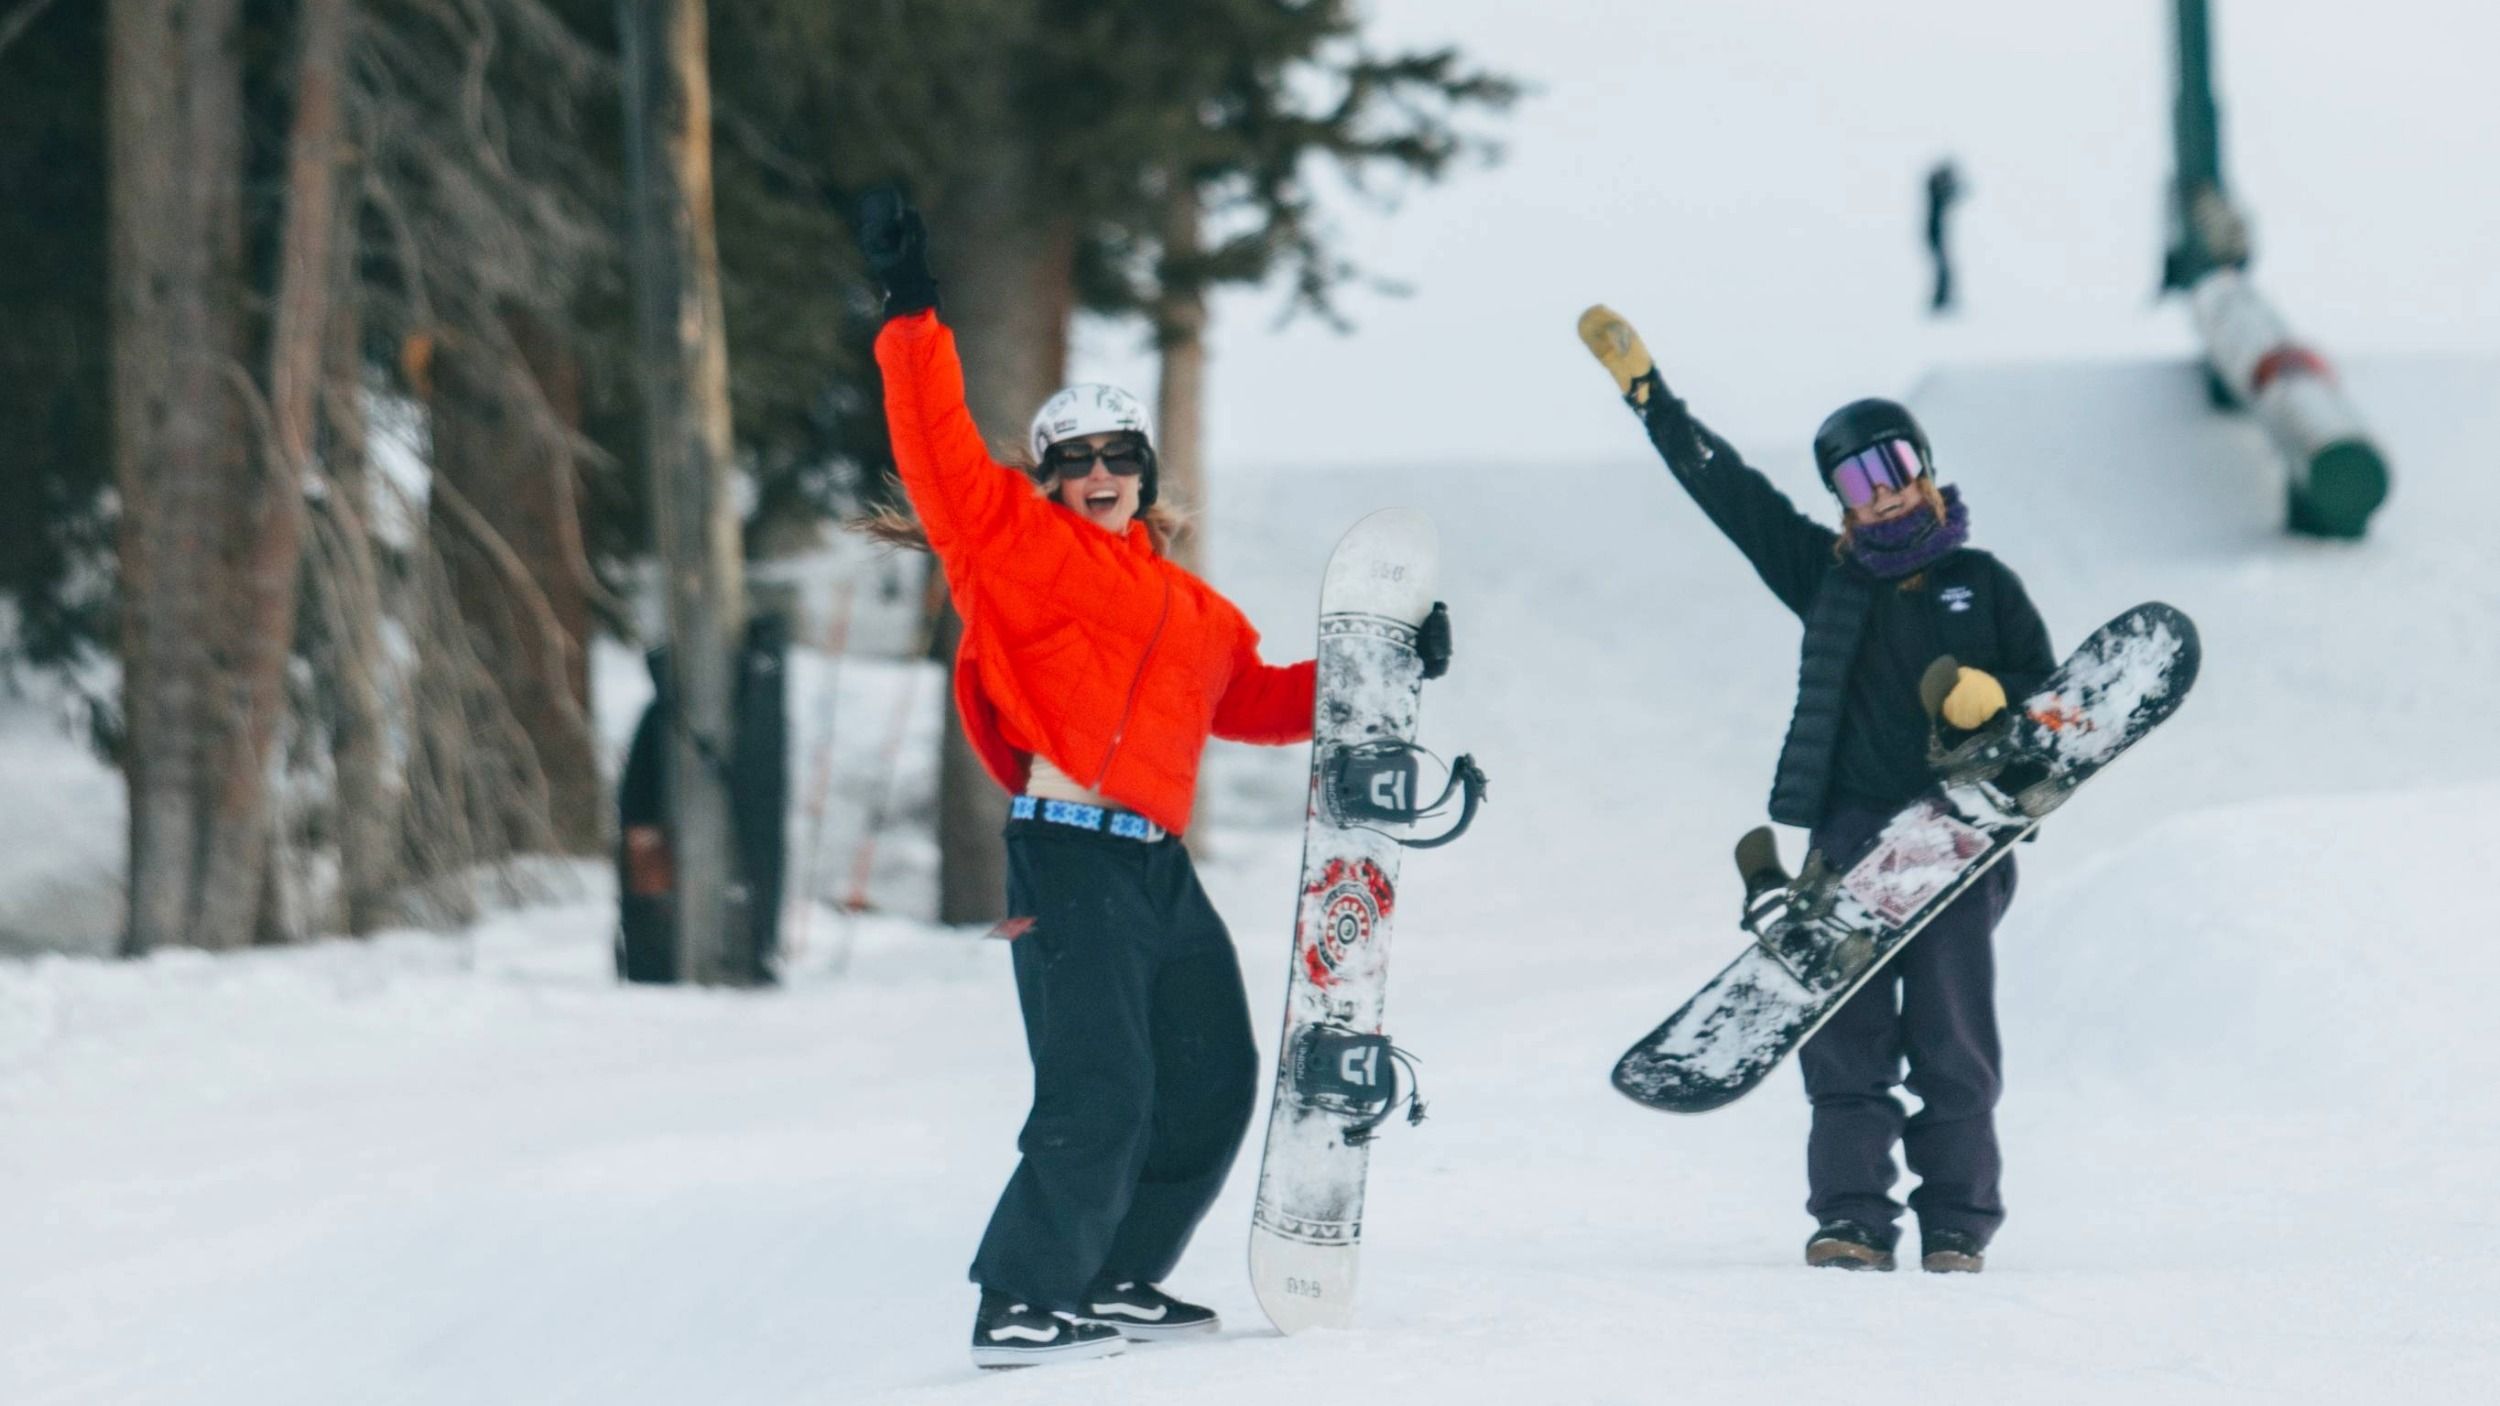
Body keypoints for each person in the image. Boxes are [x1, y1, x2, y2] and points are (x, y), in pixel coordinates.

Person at [856, 190, 1446, 1366]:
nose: (1099, 472)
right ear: (1047, 476)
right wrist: (909, 310)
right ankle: (1020, 1299)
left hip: (1156, 868)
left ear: (1143, 468)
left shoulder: (1189, 608)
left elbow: (1256, 699)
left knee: (1213, 1075)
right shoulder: (1006, 545)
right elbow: (933, 440)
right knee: (1100, 1085)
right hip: (1065, 854)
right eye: (1073, 459)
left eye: (1118, 454)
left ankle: (1116, 1272)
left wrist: (1380, 659)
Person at [1581, 307, 2053, 1276]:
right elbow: (1733, 496)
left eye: (1893, 467)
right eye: (1855, 481)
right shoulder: (1829, 580)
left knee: (1952, 1039)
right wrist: (1652, 400)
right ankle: (1852, 1220)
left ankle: (1957, 1225)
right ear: (1840, 501)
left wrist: (1990, 699)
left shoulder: (1982, 581)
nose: (1882, 493)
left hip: (1959, 837)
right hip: (1849, 834)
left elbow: (2054, 704)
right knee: (1843, 1040)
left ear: (1924, 468)